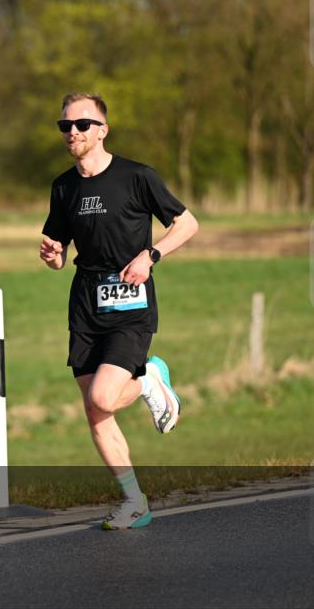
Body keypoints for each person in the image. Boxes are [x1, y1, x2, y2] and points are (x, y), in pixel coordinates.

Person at [39, 92, 199, 530]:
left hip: (131, 300)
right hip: (85, 304)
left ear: (102, 130)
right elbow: (58, 256)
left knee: (103, 397)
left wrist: (151, 254)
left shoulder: (137, 177)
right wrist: (52, 255)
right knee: (96, 412)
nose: (72, 132)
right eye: (65, 126)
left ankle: (149, 379)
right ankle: (134, 502)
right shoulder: (63, 187)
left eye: (82, 124)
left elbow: (187, 224)